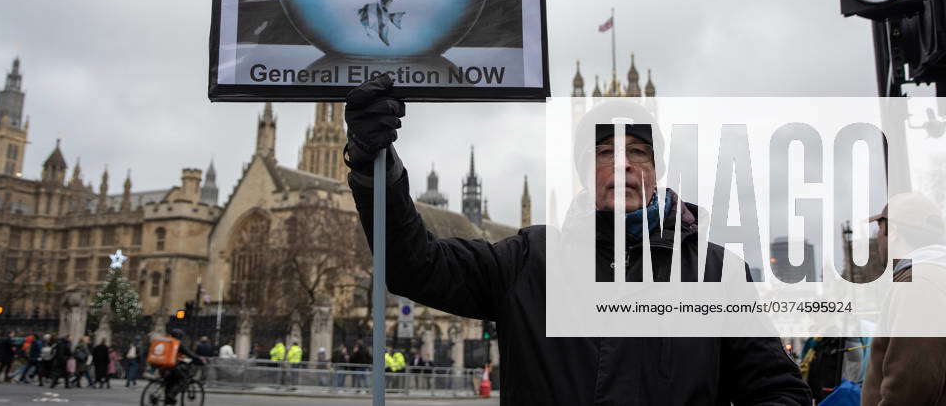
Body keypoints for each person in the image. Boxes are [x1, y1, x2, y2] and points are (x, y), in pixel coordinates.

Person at [342, 75, 812, 405]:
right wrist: (372, 163)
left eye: (638, 152)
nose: (623, 165)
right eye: (606, 152)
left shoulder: (716, 273)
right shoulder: (528, 260)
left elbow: (779, 391)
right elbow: (413, 264)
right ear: (586, 171)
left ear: (658, 168)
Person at [862, 192, 946, 406]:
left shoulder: (919, 282)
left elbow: (912, 383)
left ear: (894, 232)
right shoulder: (932, 275)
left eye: (879, 230)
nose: (877, 238)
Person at [161, 328, 205, 406]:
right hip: (171, 366)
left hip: (162, 365)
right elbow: (189, 353)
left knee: (170, 383)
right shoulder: (177, 343)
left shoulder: (166, 342)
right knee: (184, 379)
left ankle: (167, 399)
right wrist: (199, 359)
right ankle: (171, 395)